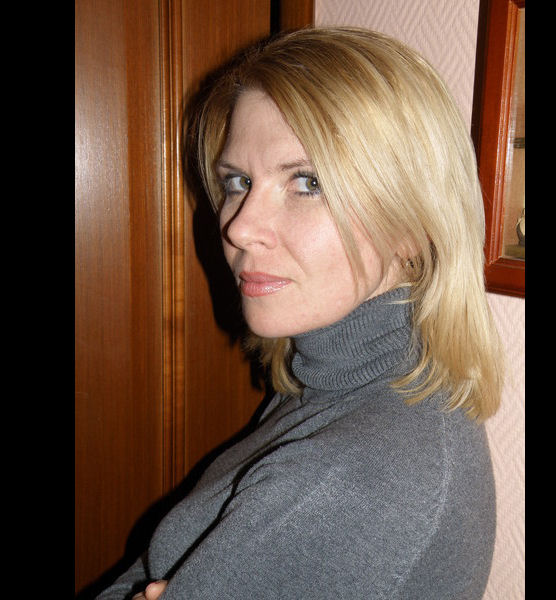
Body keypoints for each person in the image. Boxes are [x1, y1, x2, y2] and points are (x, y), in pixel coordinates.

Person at [98, 26, 503, 599]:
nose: (239, 227)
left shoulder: (348, 480)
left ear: (413, 221)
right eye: (238, 181)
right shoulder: (343, 381)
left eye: (307, 182)